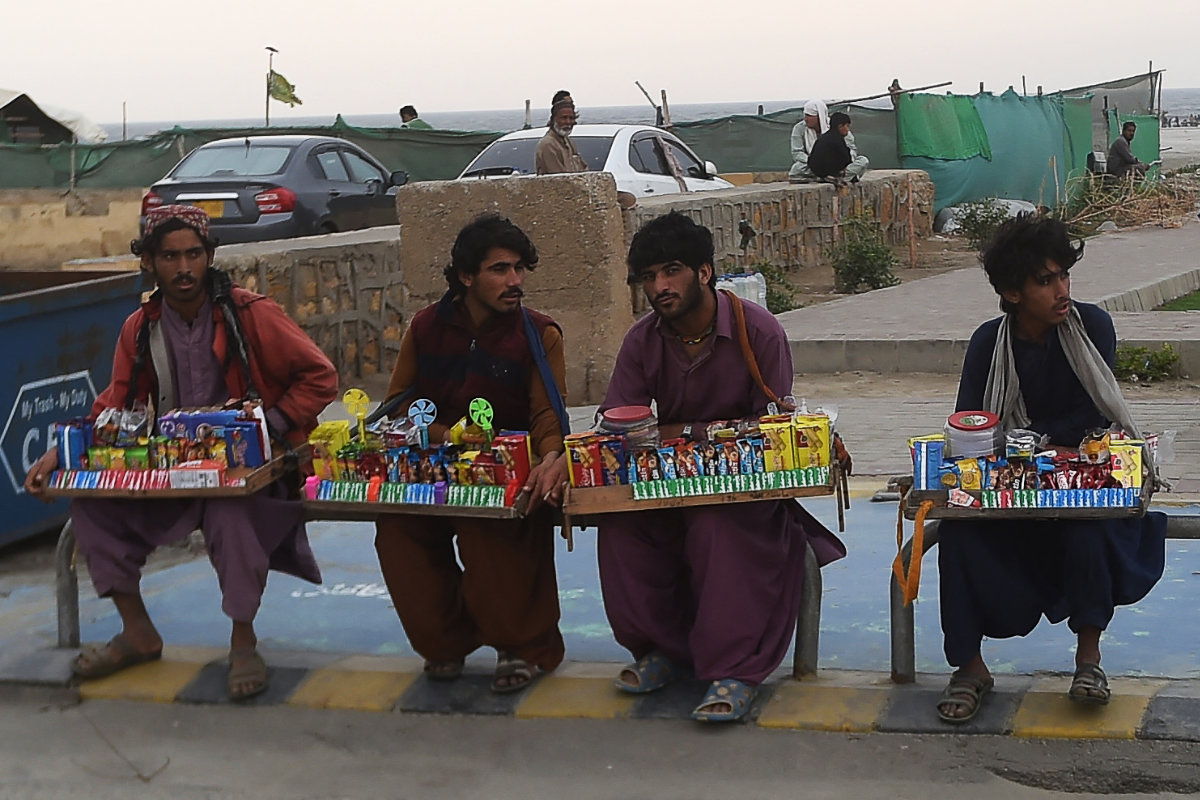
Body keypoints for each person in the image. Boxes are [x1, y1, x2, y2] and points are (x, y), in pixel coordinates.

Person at [22, 205, 338, 700]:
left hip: (248, 470)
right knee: (91, 505)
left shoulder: (252, 314)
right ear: (149, 262)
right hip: (172, 469)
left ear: (210, 257)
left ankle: (242, 641)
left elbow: (321, 376)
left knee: (231, 514)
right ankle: (138, 632)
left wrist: (266, 427)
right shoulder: (139, 328)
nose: (184, 268)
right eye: (170, 257)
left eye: (194, 254)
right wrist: (60, 452)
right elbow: (117, 402)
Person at [596, 211, 847, 723]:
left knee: (715, 526)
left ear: (704, 272)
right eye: (649, 277)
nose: (659, 287)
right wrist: (698, 435)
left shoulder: (760, 332)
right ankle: (662, 652)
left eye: (671, 272)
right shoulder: (641, 340)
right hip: (668, 484)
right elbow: (621, 427)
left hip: (746, 491)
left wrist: (681, 433)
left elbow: (772, 428)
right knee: (619, 526)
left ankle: (734, 669)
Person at [934, 215, 1166, 724]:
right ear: (1012, 292)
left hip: (1075, 488)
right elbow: (973, 425)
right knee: (956, 535)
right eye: (1046, 280)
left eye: (1064, 275)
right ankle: (971, 669)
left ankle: (1089, 660)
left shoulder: (1093, 328)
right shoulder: (987, 344)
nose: (1062, 290)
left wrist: (1032, 442)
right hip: (1013, 496)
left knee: (1086, 529)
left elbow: (1093, 418)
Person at [373, 214, 570, 694]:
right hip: (433, 469)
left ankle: (518, 646)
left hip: (505, 475)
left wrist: (551, 459)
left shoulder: (540, 335)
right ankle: (446, 643)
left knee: (497, 532)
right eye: (500, 269)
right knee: (398, 534)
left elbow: (547, 415)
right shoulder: (425, 328)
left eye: (520, 268)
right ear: (466, 276)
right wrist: (448, 438)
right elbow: (399, 405)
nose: (515, 281)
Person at [807, 111, 870, 185]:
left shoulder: (822, 138)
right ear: (840, 126)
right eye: (847, 126)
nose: (848, 130)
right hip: (835, 173)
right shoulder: (838, 139)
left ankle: (833, 177)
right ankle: (844, 178)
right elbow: (846, 159)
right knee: (863, 160)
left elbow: (811, 161)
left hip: (819, 174)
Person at [535, 96, 588, 175]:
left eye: (571, 118)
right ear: (553, 119)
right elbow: (560, 180)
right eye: (564, 118)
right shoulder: (548, 145)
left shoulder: (568, 141)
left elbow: (584, 170)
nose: (568, 122)